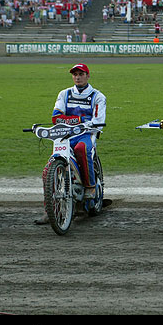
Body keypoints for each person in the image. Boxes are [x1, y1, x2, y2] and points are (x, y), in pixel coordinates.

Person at [34, 63, 107, 225]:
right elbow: (56, 118)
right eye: (75, 74)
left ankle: (90, 187)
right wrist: (81, 119)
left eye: (81, 74)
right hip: (65, 134)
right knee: (48, 171)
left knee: (81, 149)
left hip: (86, 134)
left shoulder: (98, 96)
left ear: (88, 76)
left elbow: (98, 122)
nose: (77, 77)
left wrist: (75, 122)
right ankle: (50, 210)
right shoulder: (64, 94)